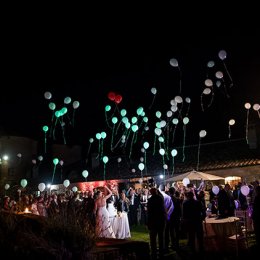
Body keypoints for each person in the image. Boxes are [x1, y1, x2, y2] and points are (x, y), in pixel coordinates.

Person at [147, 187, 167, 260]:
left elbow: (149, 213)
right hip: (161, 221)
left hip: (153, 222)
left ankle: (154, 253)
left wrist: (148, 223)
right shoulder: (160, 198)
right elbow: (163, 209)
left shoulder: (150, 200)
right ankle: (161, 252)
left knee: (153, 239)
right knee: (161, 237)